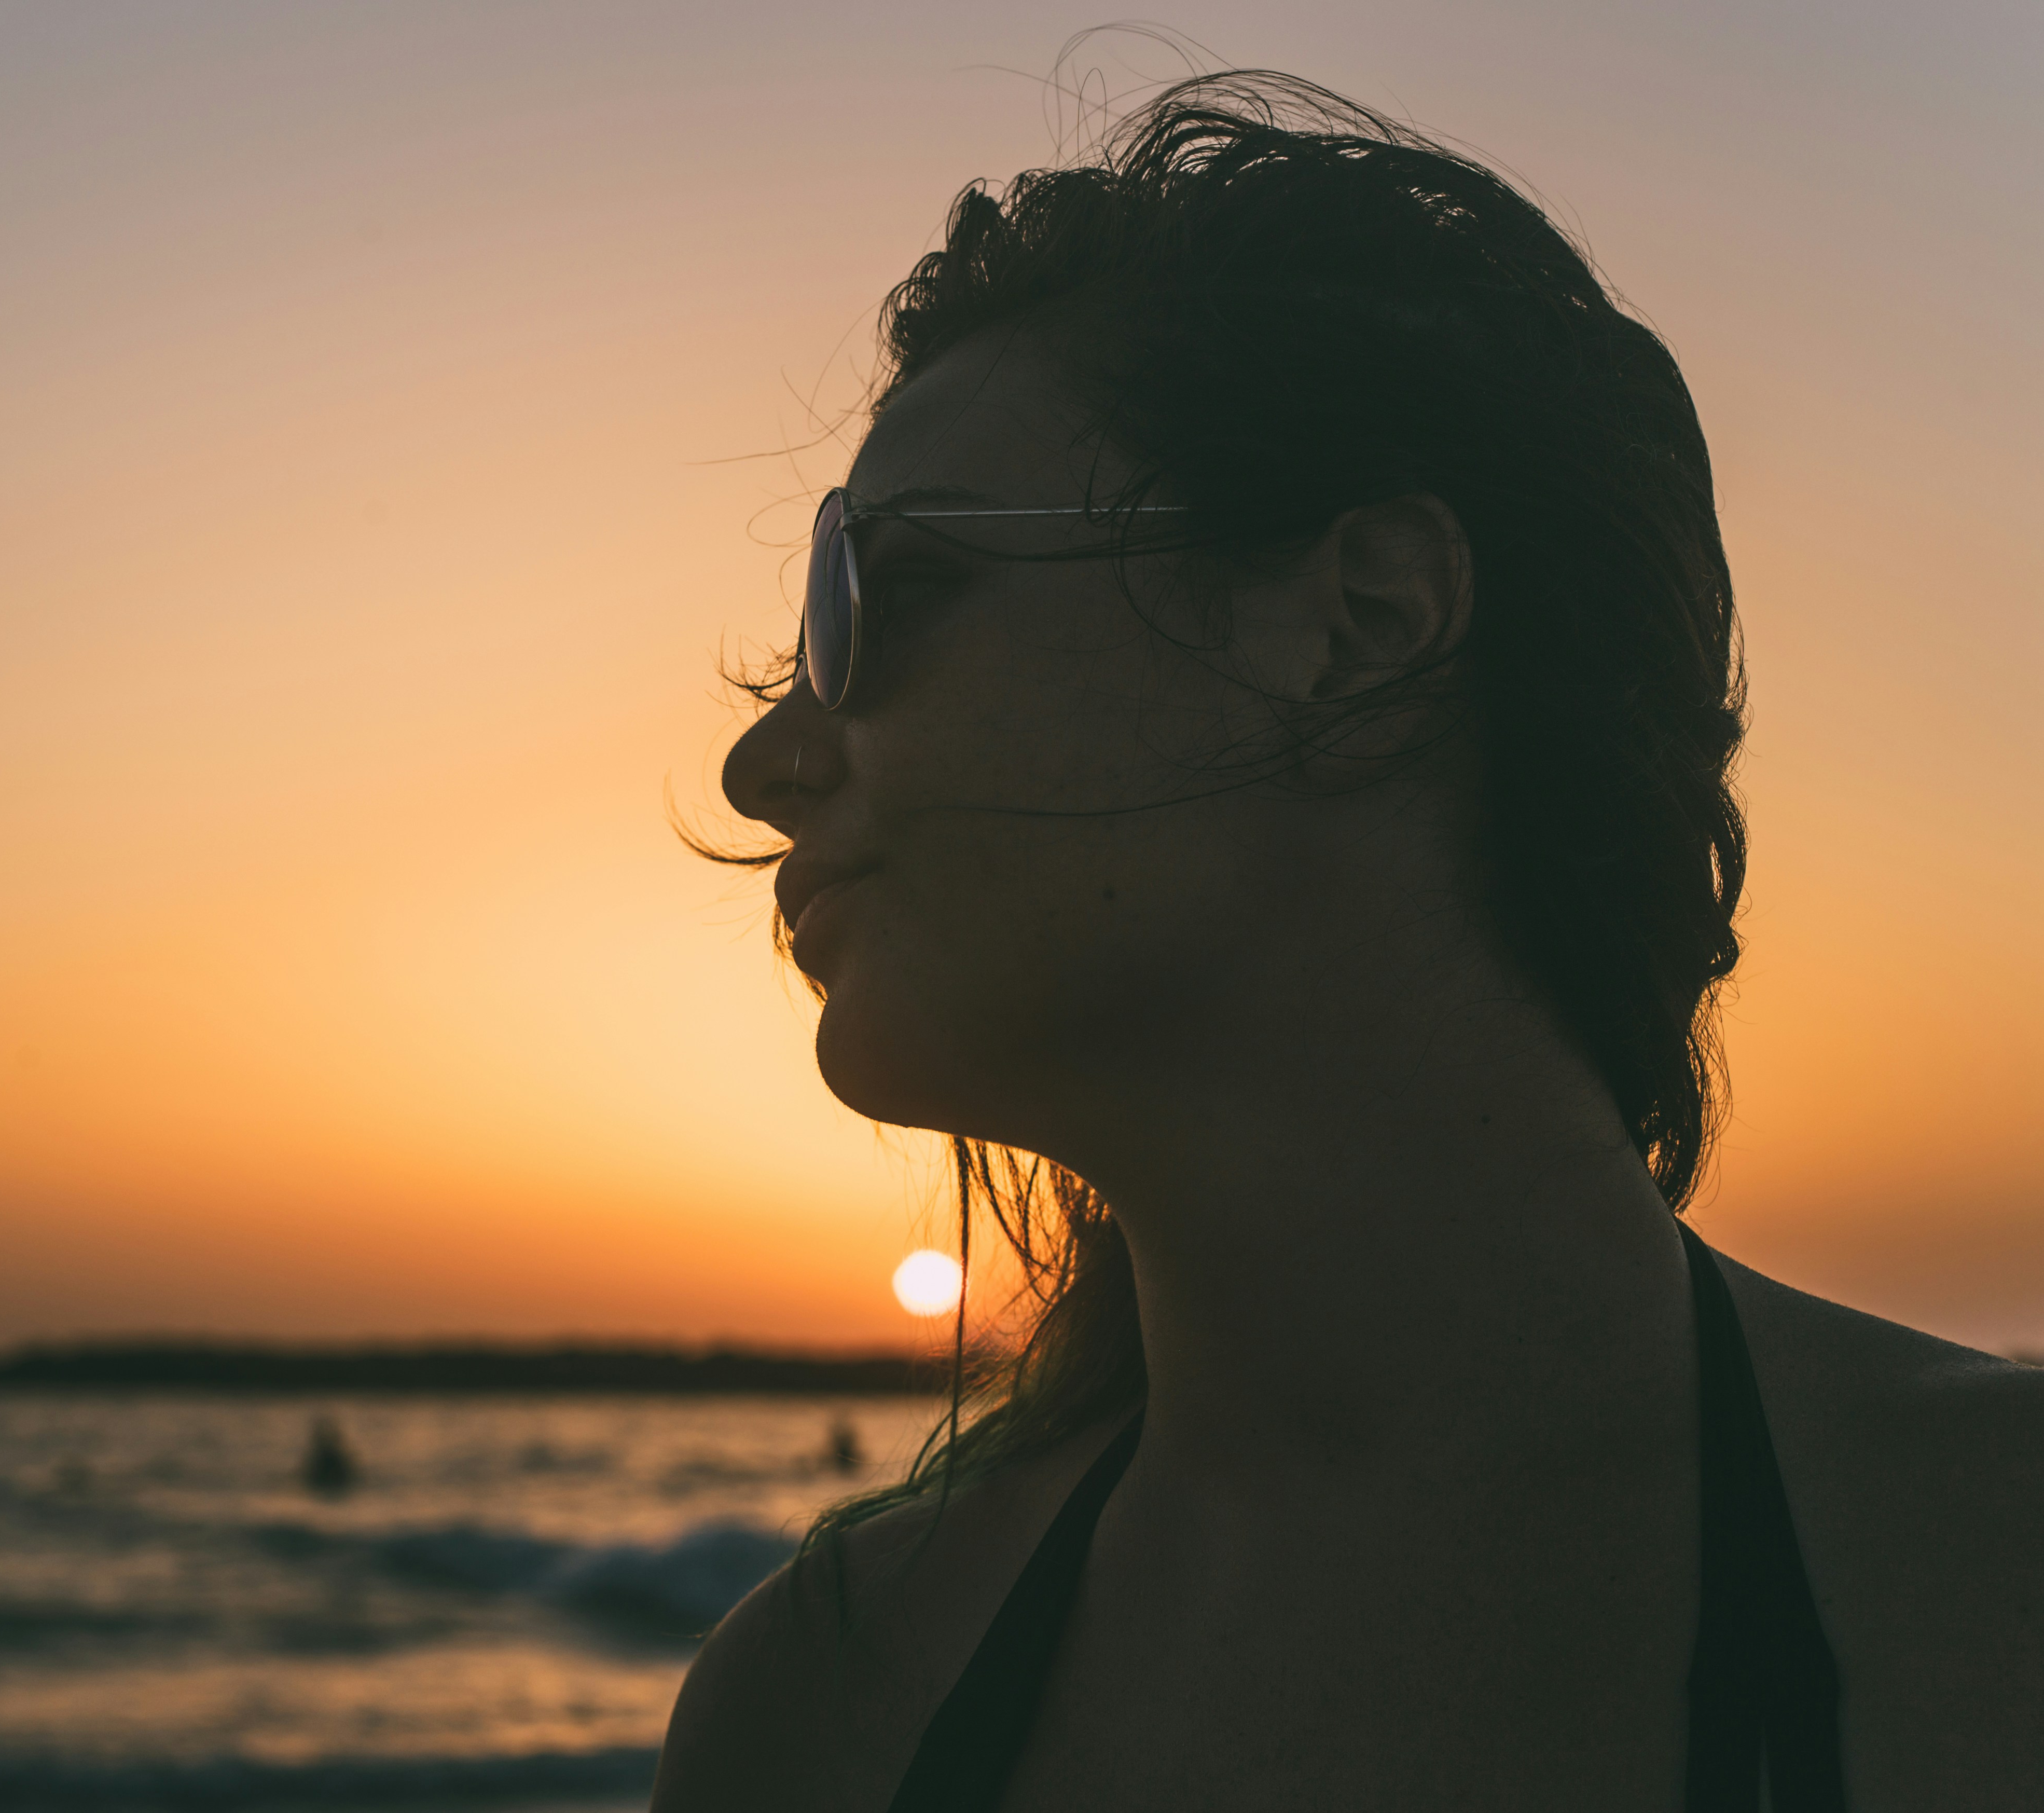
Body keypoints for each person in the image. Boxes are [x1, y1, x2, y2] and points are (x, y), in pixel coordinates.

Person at [653, 74, 2042, 1812]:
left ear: (1364, 616)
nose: (762, 763)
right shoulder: (824, 1703)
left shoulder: (1999, 1578)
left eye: (889, 597)